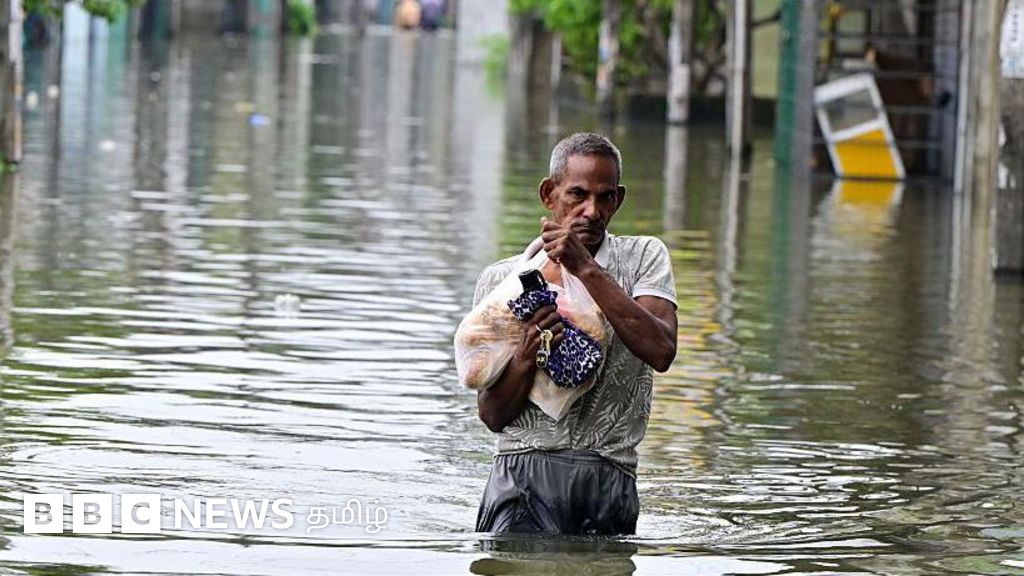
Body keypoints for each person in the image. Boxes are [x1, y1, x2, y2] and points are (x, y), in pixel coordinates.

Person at [471, 132, 679, 535]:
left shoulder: (643, 258)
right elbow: (493, 416)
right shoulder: (502, 281)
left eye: (605, 198)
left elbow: (661, 350)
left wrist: (585, 268)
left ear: (618, 200)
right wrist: (526, 355)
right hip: (521, 478)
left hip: (608, 477)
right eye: (577, 195)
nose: (591, 211)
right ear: (549, 195)